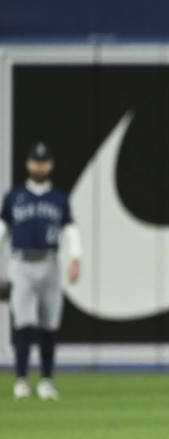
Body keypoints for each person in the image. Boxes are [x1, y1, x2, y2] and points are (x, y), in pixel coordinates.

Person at [0, 141, 81, 400]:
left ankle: (46, 381)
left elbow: (70, 229)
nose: (40, 165)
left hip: (49, 262)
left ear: (51, 165)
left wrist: (75, 257)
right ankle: (21, 381)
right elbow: (2, 228)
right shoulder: (14, 197)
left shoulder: (58, 198)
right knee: (22, 322)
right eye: (36, 161)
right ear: (28, 164)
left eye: (44, 161)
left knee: (49, 324)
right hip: (21, 262)